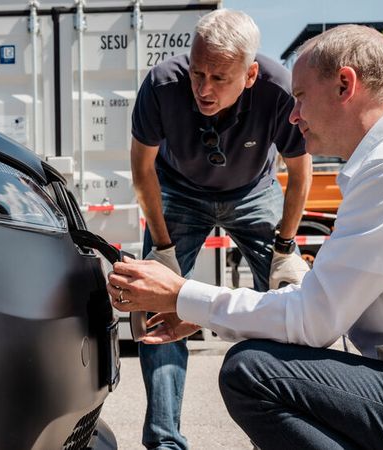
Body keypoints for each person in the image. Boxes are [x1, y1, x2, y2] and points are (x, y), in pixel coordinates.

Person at [110, 24, 383, 450]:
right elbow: (320, 310)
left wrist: (185, 295)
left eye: (300, 98)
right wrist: (204, 309)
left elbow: (311, 322)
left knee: (253, 372)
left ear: (344, 86)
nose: (293, 116)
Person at [128, 9, 312, 449]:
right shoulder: (161, 85)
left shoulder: (278, 89)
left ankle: (289, 433)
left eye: (219, 78)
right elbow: (141, 169)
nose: (204, 89)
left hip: (254, 190)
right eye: (198, 73)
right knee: (155, 304)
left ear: (249, 75)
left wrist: (286, 248)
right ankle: (164, 440)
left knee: (294, 301)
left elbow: (299, 173)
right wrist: (164, 251)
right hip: (178, 191)